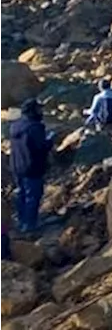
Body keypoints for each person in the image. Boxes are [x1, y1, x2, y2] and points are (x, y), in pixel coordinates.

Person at [9, 99, 52, 235]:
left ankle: (21, 222)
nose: (41, 112)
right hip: (32, 167)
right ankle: (30, 226)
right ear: (32, 111)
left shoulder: (15, 126)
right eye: (39, 109)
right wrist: (51, 140)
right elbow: (41, 147)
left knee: (21, 194)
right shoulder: (35, 127)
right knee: (33, 196)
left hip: (16, 166)